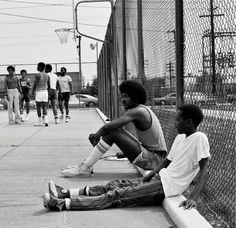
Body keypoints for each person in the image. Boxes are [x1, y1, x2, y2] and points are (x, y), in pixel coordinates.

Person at [43, 104, 210, 211]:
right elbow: (168, 161)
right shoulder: (181, 137)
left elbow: (204, 169)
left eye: (178, 120)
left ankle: (62, 204)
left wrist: (193, 198)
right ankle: (66, 193)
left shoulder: (199, 138)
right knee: (115, 184)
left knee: (117, 195)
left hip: (165, 188)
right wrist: (152, 173)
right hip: (159, 179)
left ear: (189, 122)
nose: (175, 123)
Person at [62, 80, 167, 177]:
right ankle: (86, 165)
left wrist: (97, 135)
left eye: (126, 96)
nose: (123, 100)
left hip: (154, 161)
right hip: (154, 158)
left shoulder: (138, 111)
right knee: (117, 130)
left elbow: (109, 126)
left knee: (112, 131)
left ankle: (85, 167)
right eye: (122, 97)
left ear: (135, 97)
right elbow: (118, 128)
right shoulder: (141, 109)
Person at [32, 62, 50, 127]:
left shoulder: (37, 75)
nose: (37, 68)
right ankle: (46, 121)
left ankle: (40, 121)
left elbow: (35, 84)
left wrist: (32, 92)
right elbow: (49, 85)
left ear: (40, 67)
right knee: (45, 107)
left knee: (38, 107)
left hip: (39, 92)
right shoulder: (47, 75)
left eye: (38, 66)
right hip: (45, 92)